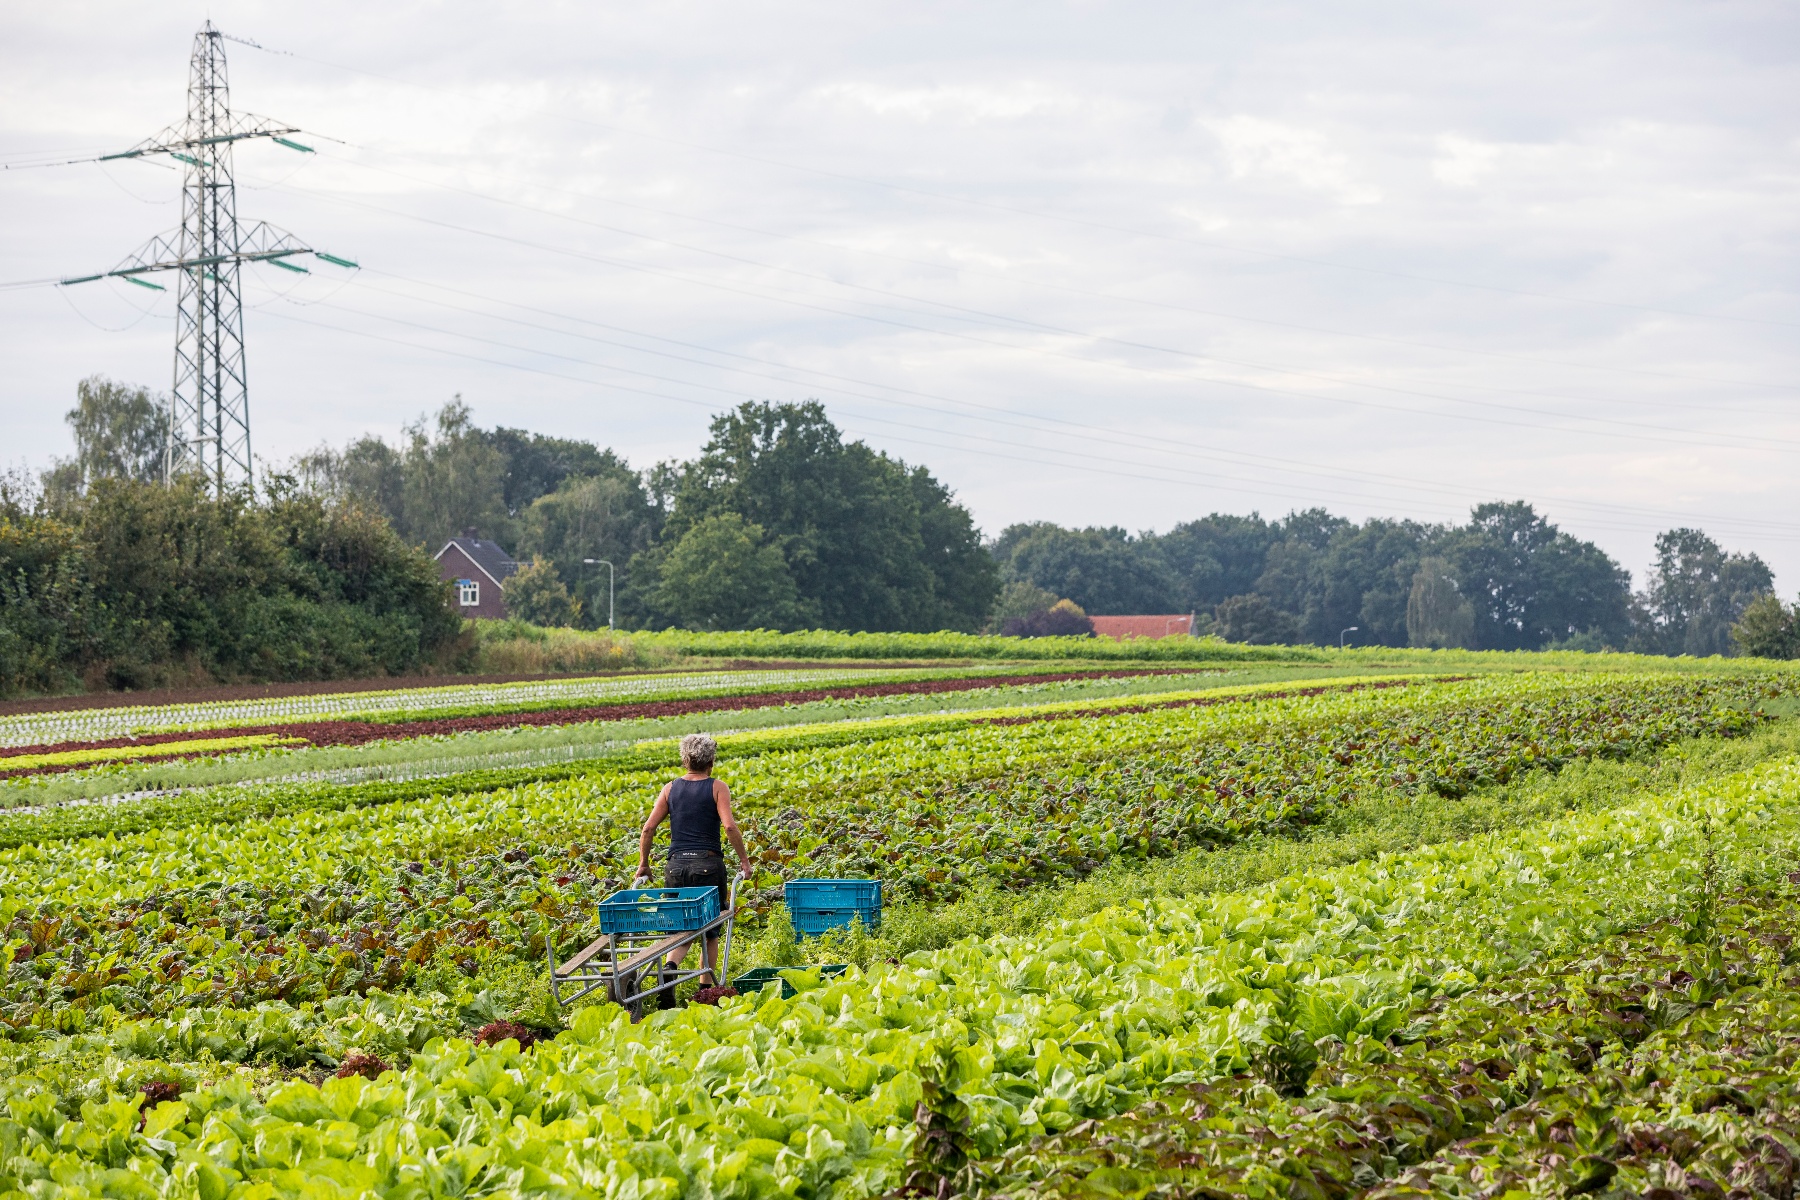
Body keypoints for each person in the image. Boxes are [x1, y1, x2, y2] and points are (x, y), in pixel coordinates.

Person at [634, 733, 752, 1001]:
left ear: (685, 760)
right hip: (707, 866)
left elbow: (648, 827)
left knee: (682, 928)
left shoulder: (670, 788)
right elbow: (730, 826)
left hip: (675, 868)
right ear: (710, 761)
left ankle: (670, 967)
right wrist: (744, 861)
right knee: (710, 932)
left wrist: (643, 863)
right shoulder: (717, 787)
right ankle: (705, 992)